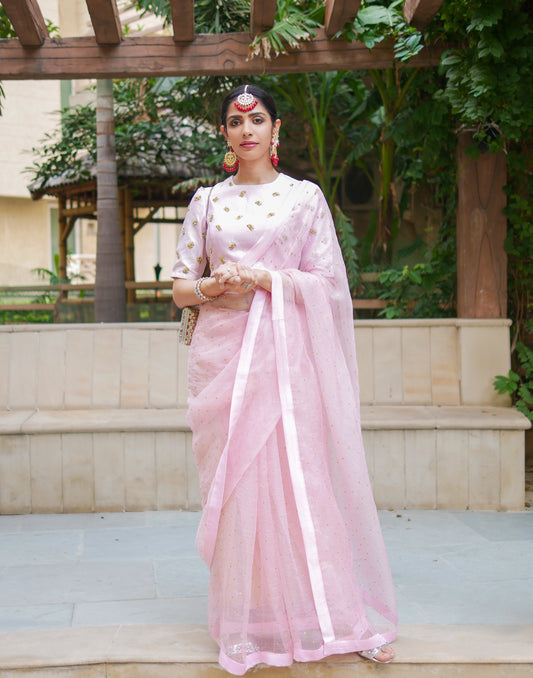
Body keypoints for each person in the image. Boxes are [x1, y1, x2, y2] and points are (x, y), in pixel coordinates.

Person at [171, 84, 398, 675]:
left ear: (277, 131)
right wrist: (212, 288)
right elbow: (178, 289)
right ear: (224, 135)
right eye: (234, 121)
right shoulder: (206, 203)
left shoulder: (304, 200)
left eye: (257, 119)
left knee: (304, 485)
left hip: (287, 361)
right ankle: (247, 625)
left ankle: (336, 619)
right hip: (223, 362)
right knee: (242, 491)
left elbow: (326, 283)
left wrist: (270, 280)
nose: (246, 128)